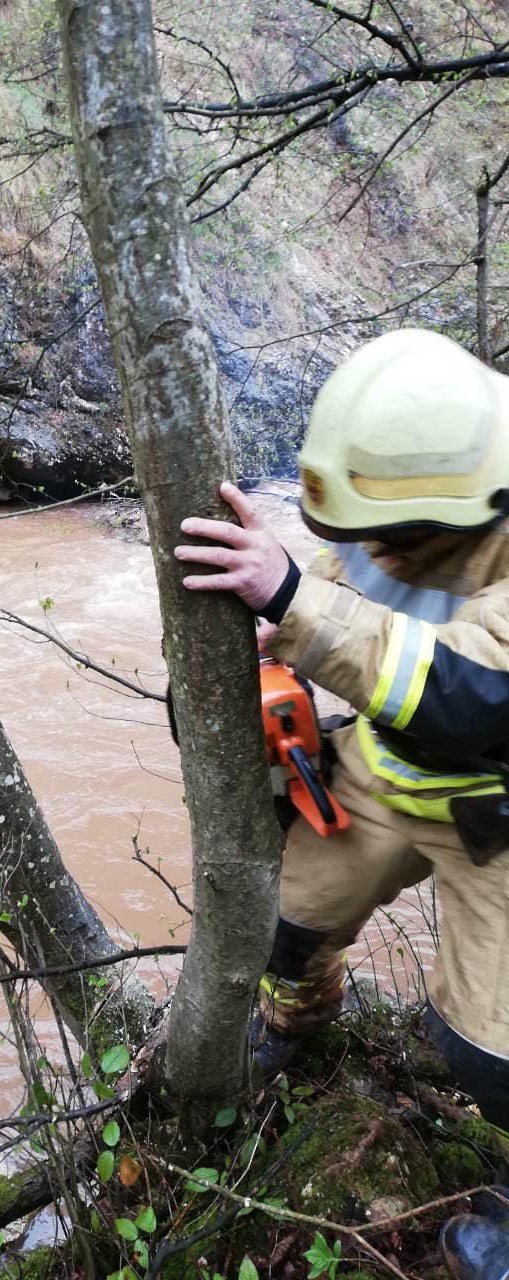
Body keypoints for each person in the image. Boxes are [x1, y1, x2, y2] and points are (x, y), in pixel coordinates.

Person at [174, 328, 509, 1279]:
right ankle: (290, 1027)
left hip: (496, 812)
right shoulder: (376, 518)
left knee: (497, 1054)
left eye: (384, 530)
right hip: (385, 772)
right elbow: (324, 603)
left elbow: (470, 693)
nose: (363, 548)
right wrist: (253, 655)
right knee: (287, 924)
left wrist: (293, 600)